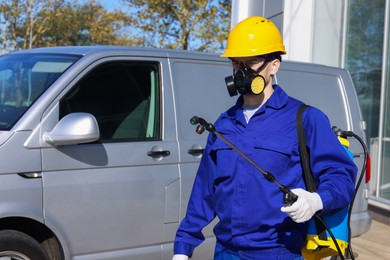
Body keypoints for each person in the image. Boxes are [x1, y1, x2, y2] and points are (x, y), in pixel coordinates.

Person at [172, 16, 357, 260]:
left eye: (251, 62)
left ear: (274, 65)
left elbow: (341, 177)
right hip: (226, 252)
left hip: (279, 252)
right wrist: (183, 248)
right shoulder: (224, 124)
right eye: (236, 64)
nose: (242, 72)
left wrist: (316, 200)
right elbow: (204, 191)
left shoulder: (306, 119)